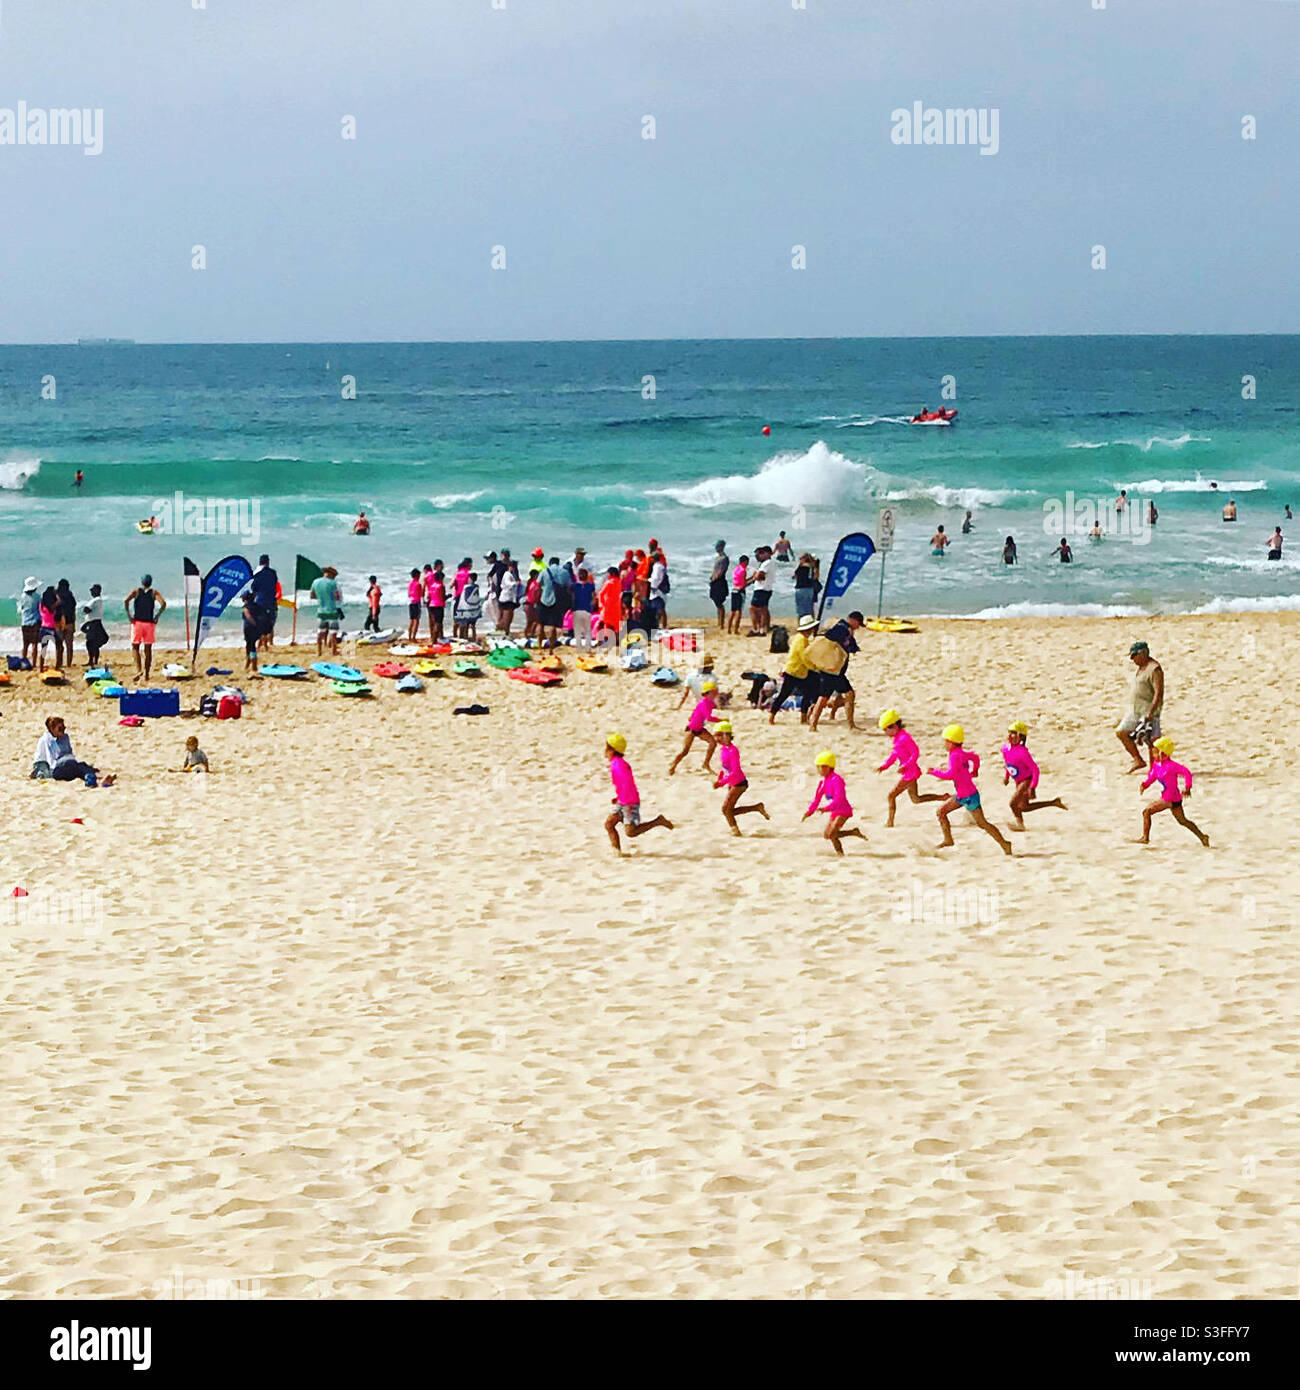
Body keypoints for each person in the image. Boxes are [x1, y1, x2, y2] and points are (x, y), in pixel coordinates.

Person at [928, 723, 1012, 855]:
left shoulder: (954, 756)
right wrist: (975, 770)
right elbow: (975, 757)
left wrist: (934, 772)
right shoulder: (960, 753)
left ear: (951, 742)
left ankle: (1004, 843)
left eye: (946, 741)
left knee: (983, 823)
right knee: (941, 812)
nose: (944, 744)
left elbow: (951, 775)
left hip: (969, 796)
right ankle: (948, 839)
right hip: (962, 795)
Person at [604, 733, 673, 853]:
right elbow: (623, 784)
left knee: (631, 832)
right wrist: (618, 797)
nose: (605, 752)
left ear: (612, 750)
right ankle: (617, 852)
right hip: (623, 800)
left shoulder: (618, 764)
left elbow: (626, 783)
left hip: (629, 802)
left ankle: (658, 821)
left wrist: (625, 801)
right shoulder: (617, 763)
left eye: (607, 749)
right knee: (609, 824)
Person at [1137, 736, 1209, 847]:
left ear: (1163, 753)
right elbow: (1152, 777)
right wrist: (1145, 785)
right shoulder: (1157, 765)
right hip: (1171, 797)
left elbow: (1187, 773)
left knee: (1146, 811)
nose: (1153, 755)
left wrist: (1188, 787)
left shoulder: (1172, 766)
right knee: (1182, 821)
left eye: (1155, 753)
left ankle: (1145, 838)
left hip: (1170, 798)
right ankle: (1203, 837)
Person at [877, 709, 944, 826]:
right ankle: (943, 797)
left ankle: (890, 822)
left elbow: (915, 753)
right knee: (916, 799)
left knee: (891, 796)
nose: (886, 733)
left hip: (909, 773)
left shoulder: (904, 738)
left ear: (894, 726)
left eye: (886, 730)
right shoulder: (898, 739)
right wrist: (885, 766)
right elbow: (894, 755)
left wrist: (905, 765)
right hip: (909, 773)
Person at [1002, 720, 1066, 830]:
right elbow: (1008, 763)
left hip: (1026, 780)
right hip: (1018, 781)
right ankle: (1053, 802)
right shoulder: (1005, 749)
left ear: (1021, 737)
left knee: (1012, 804)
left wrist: (1032, 786)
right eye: (1010, 732)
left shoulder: (1023, 752)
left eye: (1014, 733)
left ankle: (1020, 825)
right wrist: (1007, 777)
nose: (1010, 736)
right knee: (1023, 807)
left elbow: (1035, 769)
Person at [802, 750, 864, 855]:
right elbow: (816, 799)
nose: (819, 770)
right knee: (827, 835)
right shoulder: (823, 782)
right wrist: (809, 812)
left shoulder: (837, 780)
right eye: (818, 767)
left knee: (832, 834)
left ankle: (840, 854)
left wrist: (826, 808)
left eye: (821, 767)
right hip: (835, 810)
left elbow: (839, 798)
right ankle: (853, 832)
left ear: (829, 767)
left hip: (843, 810)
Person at [808, 612, 862, 733]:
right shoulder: (842, 628)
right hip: (833, 671)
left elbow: (848, 645)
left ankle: (813, 723)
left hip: (832, 670)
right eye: (858, 624)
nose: (858, 627)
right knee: (848, 694)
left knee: (824, 696)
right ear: (853, 620)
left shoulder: (844, 628)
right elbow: (831, 637)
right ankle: (850, 725)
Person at [712, 722, 769, 835]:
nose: (716, 738)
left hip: (739, 783)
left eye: (719, 735)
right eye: (715, 735)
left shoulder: (733, 750)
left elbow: (735, 771)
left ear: (726, 735)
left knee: (725, 809)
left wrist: (721, 783)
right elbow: (725, 768)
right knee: (729, 810)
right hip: (731, 783)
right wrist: (720, 777)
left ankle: (736, 832)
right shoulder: (723, 749)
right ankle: (756, 807)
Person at [1116, 640, 1164, 771]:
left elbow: (1158, 692)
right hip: (1136, 709)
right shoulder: (1141, 668)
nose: (1133, 660)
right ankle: (1138, 759)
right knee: (1121, 732)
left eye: (1134, 656)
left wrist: (1151, 711)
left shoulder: (1154, 669)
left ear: (1142, 654)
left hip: (1148, 710)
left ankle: (1155, 770)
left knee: (1152, 741)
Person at [32, 716, 115, 785]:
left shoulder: (65, 738)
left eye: (63, 728)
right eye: (60, 728)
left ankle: (94, 780)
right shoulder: (46, 740)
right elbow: (50, 761)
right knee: (78, 768)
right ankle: (94, 778)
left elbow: (69, 752)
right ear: (52, 729)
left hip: (64, 764)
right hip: (52, 768)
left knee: (81, 767)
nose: (63, 730)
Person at [769, 615, 817, 724]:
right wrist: (814, 667)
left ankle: (802, 717)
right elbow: (804, 657)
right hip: (794, 672)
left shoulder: (800, 638)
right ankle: (773, 716)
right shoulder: (801, 640)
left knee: (805, 693)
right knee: (785, 694)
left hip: (798, 671)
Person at [669, 679, 720, 774]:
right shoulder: (704, 703)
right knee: (685, 751)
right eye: (714, 692)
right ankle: (673, 766)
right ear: (709, 693)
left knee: (713, 743)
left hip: (699, 728)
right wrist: (721, 720)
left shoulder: (709, 702)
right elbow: (708, 717)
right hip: (692, 729)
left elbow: (697, 712)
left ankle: (706, 764)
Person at [124, 574, 166, 680]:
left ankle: (139, 670)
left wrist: (129, 615)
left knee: (135, 647)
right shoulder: (153, 593)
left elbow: (126, 601)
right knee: (148, 649)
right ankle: (147, 674)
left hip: (137, 623)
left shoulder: (137, 591)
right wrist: (157, 616)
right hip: (149, 624)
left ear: (142, 582)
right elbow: (163, 604)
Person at [311, 565, 344, 656]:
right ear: (331, 574)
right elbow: (337, 597)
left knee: (320, 631)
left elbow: (312, 596)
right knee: (333, 632)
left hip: (321, 610)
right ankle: (333, 651)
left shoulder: (315, 582)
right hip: (333, 610)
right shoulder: (334, 583)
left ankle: (319, 651)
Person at [249, 555, 278, 647]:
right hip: (271, 601)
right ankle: (269, 642)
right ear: (268, 562)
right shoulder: (273, 573)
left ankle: (262, 642)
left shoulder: (256, 574)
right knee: (270, 622)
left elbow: (253, 588)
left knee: (260, 622)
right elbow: (275, 585)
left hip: (260, 601)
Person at [80, 583, 108, 666]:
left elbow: (86, 609)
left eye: (92, 590)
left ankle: (91, 660)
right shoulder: (99, 600)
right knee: (94, 642)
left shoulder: (95, 600)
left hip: (93, 623)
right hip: (95, 622)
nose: (91, 592)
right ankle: (94, 659)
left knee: (90, 642)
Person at [18, 577, 41, 668]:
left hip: (24, 622)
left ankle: (24, 662)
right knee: (35, 644)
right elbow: (40, 609)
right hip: (35, 622)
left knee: (25, 644)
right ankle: (34, 663)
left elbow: (21, 608)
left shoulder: (22, 596)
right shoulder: (37, 597)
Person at [597, 566, 623, 648]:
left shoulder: (608, 582)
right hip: (616, 605)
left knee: (604, 623)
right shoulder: (619, 582)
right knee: (615, 624)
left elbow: (601, 593)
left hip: (608, 605)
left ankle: (603, 640)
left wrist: (601, 604)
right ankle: (616, 640)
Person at [570, 567, 596, 650]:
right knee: (587, 630)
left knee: (577, 630)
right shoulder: (591, 586)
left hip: (577, 609)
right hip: (587, 609)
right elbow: (594, 598)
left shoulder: (574, 586)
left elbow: (572, 597)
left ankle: (579, 647)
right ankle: (588, 647)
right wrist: (592, 605)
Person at [55, 578, 77, 667]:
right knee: (69, 646)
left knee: (59, 646)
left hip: (59, 623)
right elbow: (73, 610)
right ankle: (69, 663)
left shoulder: (56, 597)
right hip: (70, 622)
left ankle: (59, 663)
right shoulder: (70, 597)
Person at [454, 571, 483, 639]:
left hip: (468, 610)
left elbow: (463, 598)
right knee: (473, 625)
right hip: (474, 609)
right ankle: (474, 637)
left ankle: (465, 637)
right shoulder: (476, 586)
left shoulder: (466, 587)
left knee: (466, 625)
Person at [728, 555, 753, 635]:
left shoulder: (736, 569)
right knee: (739, 612)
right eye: (747, 562)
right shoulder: (743, 571)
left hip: (734, 590)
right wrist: (753, 580)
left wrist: (751, 578)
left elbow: (740, 581)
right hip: (740, 591)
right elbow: (743, 584)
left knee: (733, 611)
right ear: (744, 562)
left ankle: (729, 629)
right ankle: (735, 629)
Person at [793, 553, 821, 621]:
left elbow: (795, 577)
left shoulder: (801, 568)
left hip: (800, 588)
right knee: (809, 609)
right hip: (809, 588)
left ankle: (801, 624)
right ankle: (811, 623)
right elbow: (815, 577)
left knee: (800, 610)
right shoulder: (812, 567)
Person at [747, 556, 771, 636]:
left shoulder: (766, 563)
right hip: (766, 588)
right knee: (764, 609)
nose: (757, 557)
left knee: (753, 609)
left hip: (761, 589)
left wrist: (755, 576)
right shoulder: (766, 563)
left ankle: (757, 629)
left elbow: (760, 576)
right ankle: (763, 628)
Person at [708, 540, 730, 629]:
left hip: (719, 581)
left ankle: (721, 623)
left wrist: (714, 579)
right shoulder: (718, 557)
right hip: (715, 581)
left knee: (719, 603)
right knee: (716, 601)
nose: (716, 548)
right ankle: (719, 621)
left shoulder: (724, 558)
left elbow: (721, 571)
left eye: (718, 546)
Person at [37, 586, 59, 672]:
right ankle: (57, 666)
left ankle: (41, 667)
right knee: (59, 647)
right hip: (51, 629)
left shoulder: (41, 605)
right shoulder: (52, 607)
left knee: (43, 649)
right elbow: (59, 601)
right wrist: (57, 594)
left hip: (43, 628)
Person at [498, 560, 522, 636]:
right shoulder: (507, 574)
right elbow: (508, 584)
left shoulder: (514, 575)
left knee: (510, 617)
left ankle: (506, 632)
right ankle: (505, 632)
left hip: (511, 598)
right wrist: (515, 583)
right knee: (506, 617)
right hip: (506, 598)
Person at [240, 591, 261, 673]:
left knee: (250, 646)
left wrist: (254, 623)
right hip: (255, 628)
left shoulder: (246, 607)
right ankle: (249, 664)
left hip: (248, 628)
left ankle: (253, 665)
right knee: (252, 645)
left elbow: (248, 616)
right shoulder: (256, 606)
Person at [426, 561, 447, 642]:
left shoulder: (432, 586)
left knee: (434, 622)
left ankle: (433, 638)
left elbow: (429, 595)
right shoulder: (441, 586)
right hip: (439, 605)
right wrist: (447, 597)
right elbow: (442, 597)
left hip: (432, 605)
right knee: (438, 623)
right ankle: (434, 639)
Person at [405, 569, 423, 641]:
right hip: (416, 602)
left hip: (411, 602)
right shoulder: (418, 584)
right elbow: (421, 594)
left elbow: (409, 594)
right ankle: (413, 637)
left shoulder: (410, 583)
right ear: (417, 575)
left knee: (411, 620)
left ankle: (409, 636)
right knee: (417, 620)